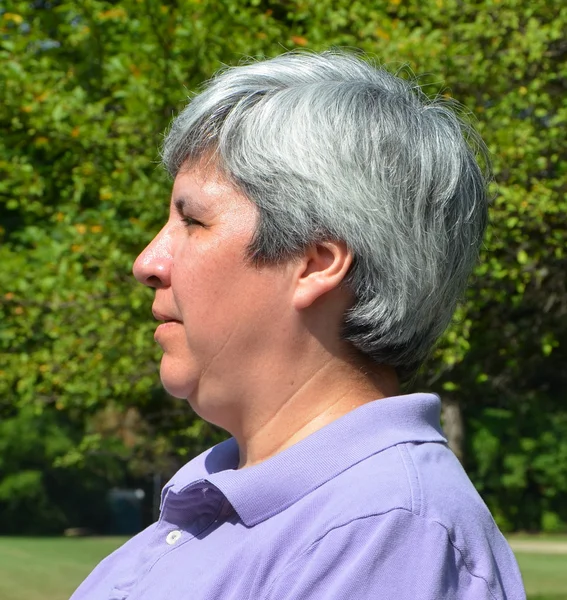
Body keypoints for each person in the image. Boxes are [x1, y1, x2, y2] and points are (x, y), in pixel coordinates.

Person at [71, 50, 525, 599]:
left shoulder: (385, 532)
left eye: (193, 220)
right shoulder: (227, 503)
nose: (147, 262)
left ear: (316, 263)